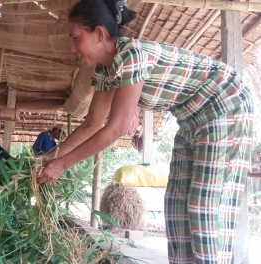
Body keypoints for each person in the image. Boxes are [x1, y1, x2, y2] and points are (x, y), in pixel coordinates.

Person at [36, 0, 254, 263]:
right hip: (190, 118)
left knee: (203, 207)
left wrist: (61, 166)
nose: (72, 47)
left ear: (99, 34)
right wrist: (49, 159)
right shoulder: (106, 69)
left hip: (224, 104)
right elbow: (92, 124)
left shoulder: (131, 55)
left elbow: (115, 128)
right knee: (175, 207)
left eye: (76, 38)